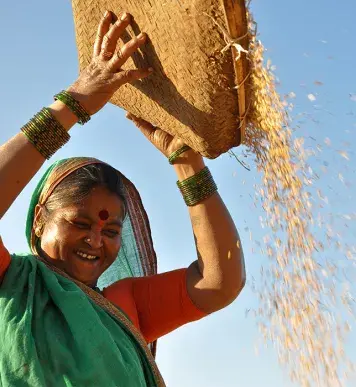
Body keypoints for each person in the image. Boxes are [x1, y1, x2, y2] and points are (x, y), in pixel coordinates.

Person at [0, 10, 245, 387]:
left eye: (111, 229)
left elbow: (220, 281)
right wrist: (76, 102)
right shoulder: (11, 284)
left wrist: (188, 167)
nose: (96, 241)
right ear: (39, 220)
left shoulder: (121, 306)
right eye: (80, 223)